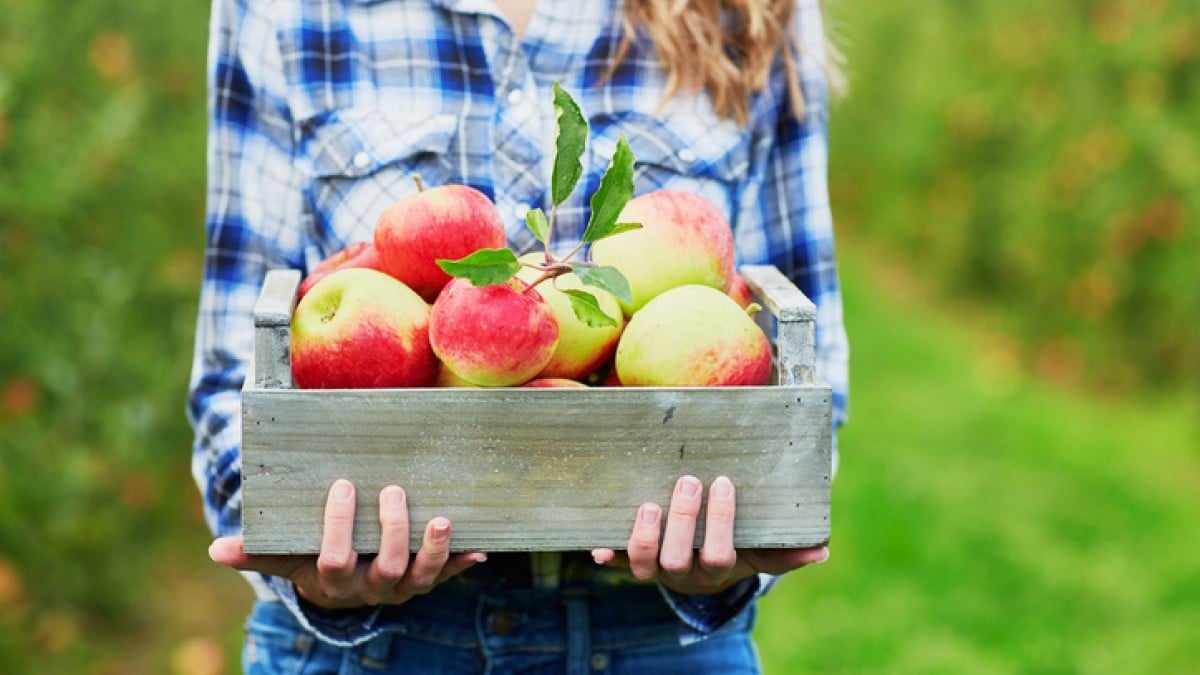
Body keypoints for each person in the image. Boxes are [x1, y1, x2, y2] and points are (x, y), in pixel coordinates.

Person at [188, 0, 849, 672]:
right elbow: (231, 374)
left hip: (656, 636)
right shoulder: (279, 10)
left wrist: (734, 552)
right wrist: (308, 563)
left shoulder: (752, 10)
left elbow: (804, 374)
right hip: (367, 647)